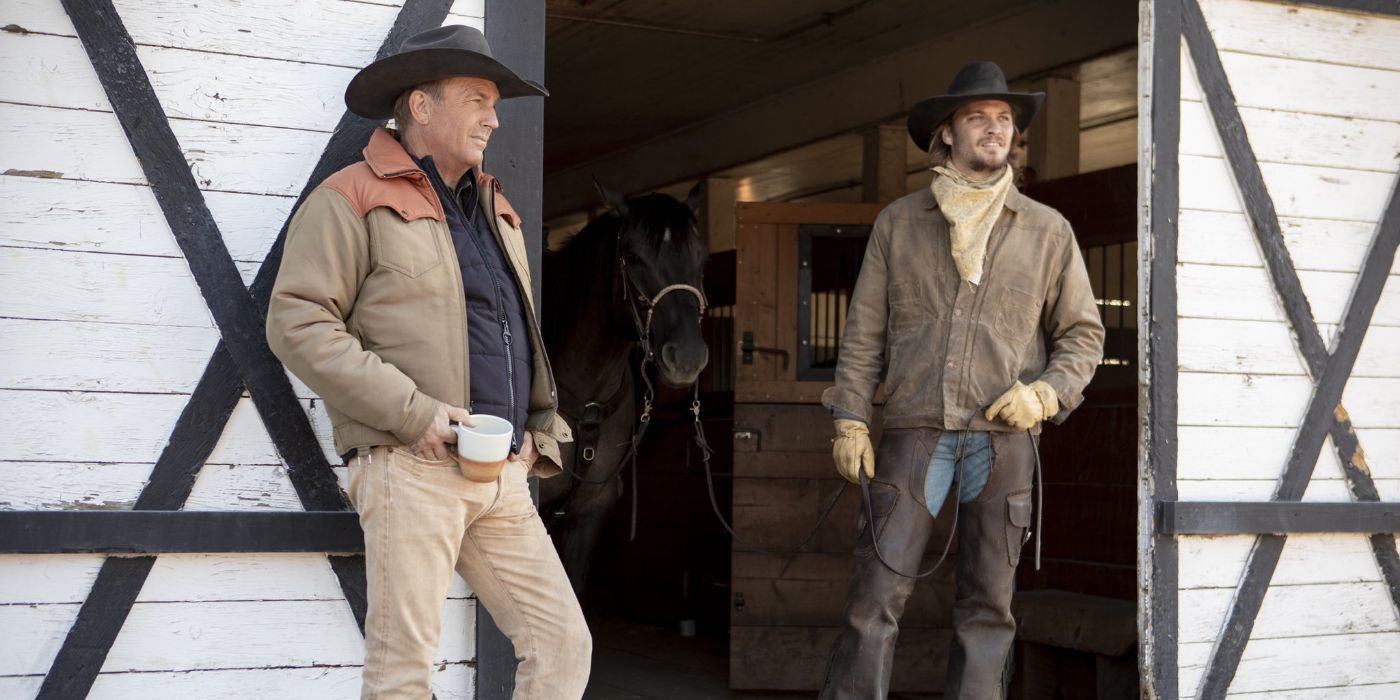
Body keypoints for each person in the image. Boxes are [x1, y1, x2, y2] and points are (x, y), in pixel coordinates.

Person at [266, 25, 589, 700]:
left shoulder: (497, 209)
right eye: (477, 99)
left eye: (494, 103)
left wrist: (538, 430)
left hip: (502, 473)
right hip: (410, 465)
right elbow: (296, 322)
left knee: (562, 645)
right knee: (403, 676)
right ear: (421, 106)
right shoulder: (349, 196)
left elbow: (512, 332)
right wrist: (412, 414)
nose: (494, 118)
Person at [818, 61, 1105, 699]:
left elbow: (1084, 336)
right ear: (946, 133)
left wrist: (1046, 392)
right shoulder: (899, 223)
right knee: (874, 598)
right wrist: (849, 416)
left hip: (1004, 443)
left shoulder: (1048, 231)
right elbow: (864, 333)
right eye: (979, 117)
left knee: (988, 609)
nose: (995, 129)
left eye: (1005, 119)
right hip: (915, 433)